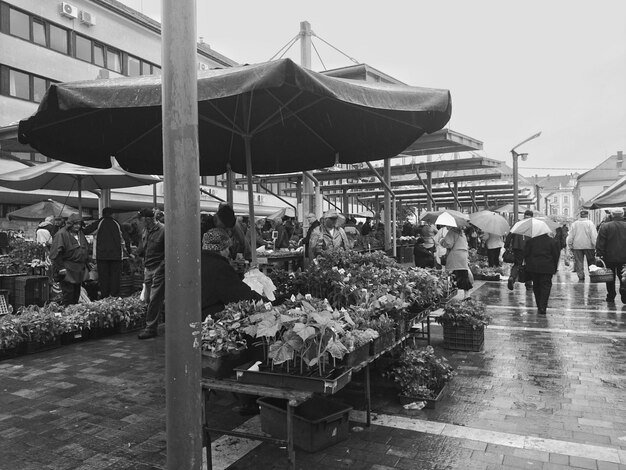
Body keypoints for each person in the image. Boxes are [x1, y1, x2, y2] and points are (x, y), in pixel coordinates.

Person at [201, 228, 260, 320]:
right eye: (227, 248)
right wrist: (264, 301)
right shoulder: (220, 267)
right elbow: (239, 294)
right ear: (221, 249)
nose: (228, 252)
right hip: (209, 319)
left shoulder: (197, 262)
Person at [136, 208, 165, 340]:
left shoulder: (163, 230)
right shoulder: (145, 231)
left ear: (147, 220)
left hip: (159, 267)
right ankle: (153, 323)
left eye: (140, 220)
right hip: (148, 267)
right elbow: (144, 248)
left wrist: (162, 266)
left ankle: (150, 328)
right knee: (148, 298)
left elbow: (168, 250)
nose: (139, 223)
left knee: (154, 298)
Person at [83, 207, 125, 298]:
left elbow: (86, 231)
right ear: (112, 214)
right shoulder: (117, 223)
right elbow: (125, 238)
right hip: (116, 256)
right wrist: (129, 252)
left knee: (103, 277)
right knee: (115, 278)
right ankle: (114, 296)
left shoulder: (99, 223)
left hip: (101, 256)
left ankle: (105, 297)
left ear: (102, 214)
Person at [49, 213, 90, 305]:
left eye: (79, 224)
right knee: (68, 294)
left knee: (76, 293)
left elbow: (85, 248)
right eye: (75, 224)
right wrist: (61, 268)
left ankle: (74, 314)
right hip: (67, 269)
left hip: (79, 269)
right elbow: (56, 254)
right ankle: (67, 314)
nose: (78, 226)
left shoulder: (80, 234)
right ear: (70, 224)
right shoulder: (61, 234)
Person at [523, 232, 561, 315]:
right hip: (547, 268)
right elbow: (556, 255)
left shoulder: (530, 241)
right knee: (546, 286)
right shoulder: (552, 242)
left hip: (533, 268)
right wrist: (554, 267)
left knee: (536, 285)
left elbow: (526, 254)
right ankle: (543, 306)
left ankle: (539, 304)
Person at [595, 207, 626, 304]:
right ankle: (624, 294)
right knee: (624, 277)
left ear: (612, 215)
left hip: (609, 257)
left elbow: (600, 242)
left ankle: (611, 295)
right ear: (623, 215)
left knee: (609, 277)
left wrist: (599, 254)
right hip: (624, 258)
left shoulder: (605, 226)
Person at [504, 209, 534, 290]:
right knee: (529, 265)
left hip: (517, 247)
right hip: (530, 248)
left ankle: (512, 278)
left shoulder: (518, 224)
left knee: (517, 264)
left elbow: (510, 235)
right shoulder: (533, 225)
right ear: (532, 216)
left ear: (524, 215)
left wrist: (506, 245)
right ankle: (528, 283)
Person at [440, 226, 473, 297]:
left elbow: (449, 244)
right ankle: (467, 295)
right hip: (463, 255)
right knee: (463, 275)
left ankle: (447, 292)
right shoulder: (462, 233)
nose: (446, 228)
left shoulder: (451, 232)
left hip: (455, 255)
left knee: (450, 273)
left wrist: (442, 241)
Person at [567, 210, 597, 281]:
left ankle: (581, 277)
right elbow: (593, 236)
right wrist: (595, 245)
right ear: (587, 215)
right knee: (591, 262)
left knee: (579, 262)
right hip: (589, 246)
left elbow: (571, 236)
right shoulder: (590, 223)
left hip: (577, 246)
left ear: (580, 215)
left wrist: (570, 245)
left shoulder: (575, 224)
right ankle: (592, 276)